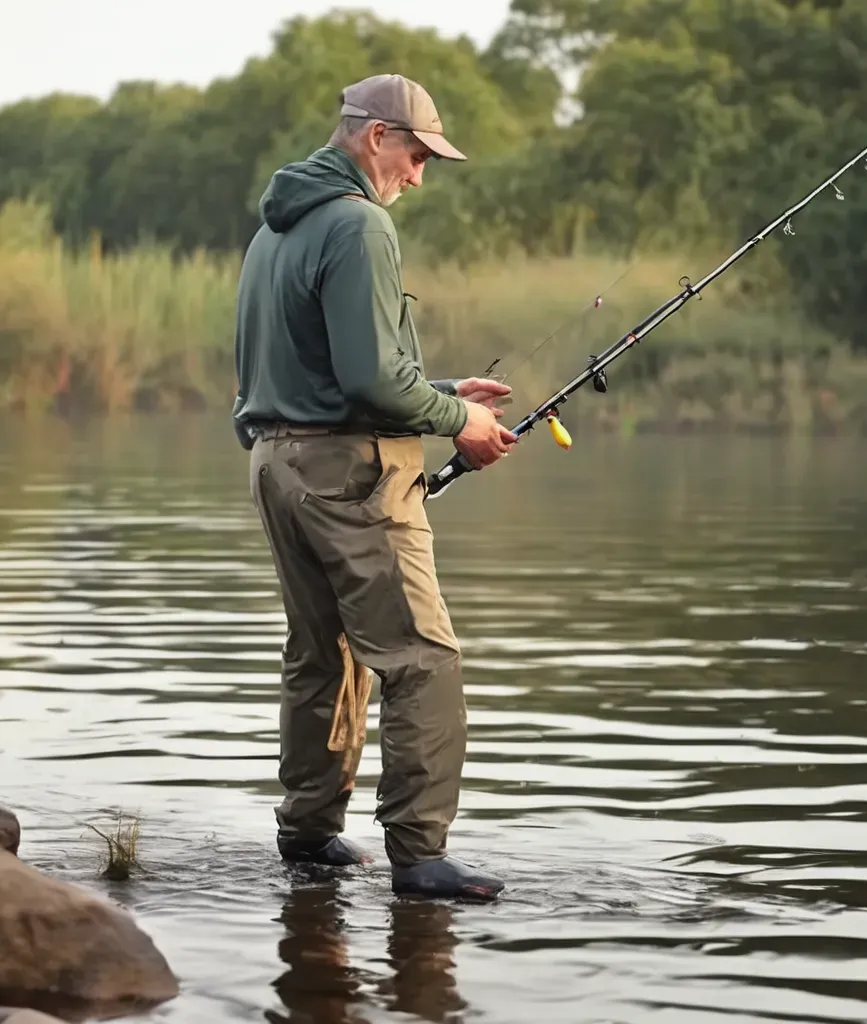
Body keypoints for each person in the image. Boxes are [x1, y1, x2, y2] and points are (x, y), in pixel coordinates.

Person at [231, 73, 517, 900]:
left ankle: (310, 835)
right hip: (350, 474)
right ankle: (420, 857)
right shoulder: (359, 224)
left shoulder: (273, 233)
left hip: (275, 464)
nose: (421, 174)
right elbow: (366, 380)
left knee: (325, 657)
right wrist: (457, 422)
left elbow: (333, 370)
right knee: (423, 659)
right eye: (417, 153)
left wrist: (443, 395)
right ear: (375, 137)